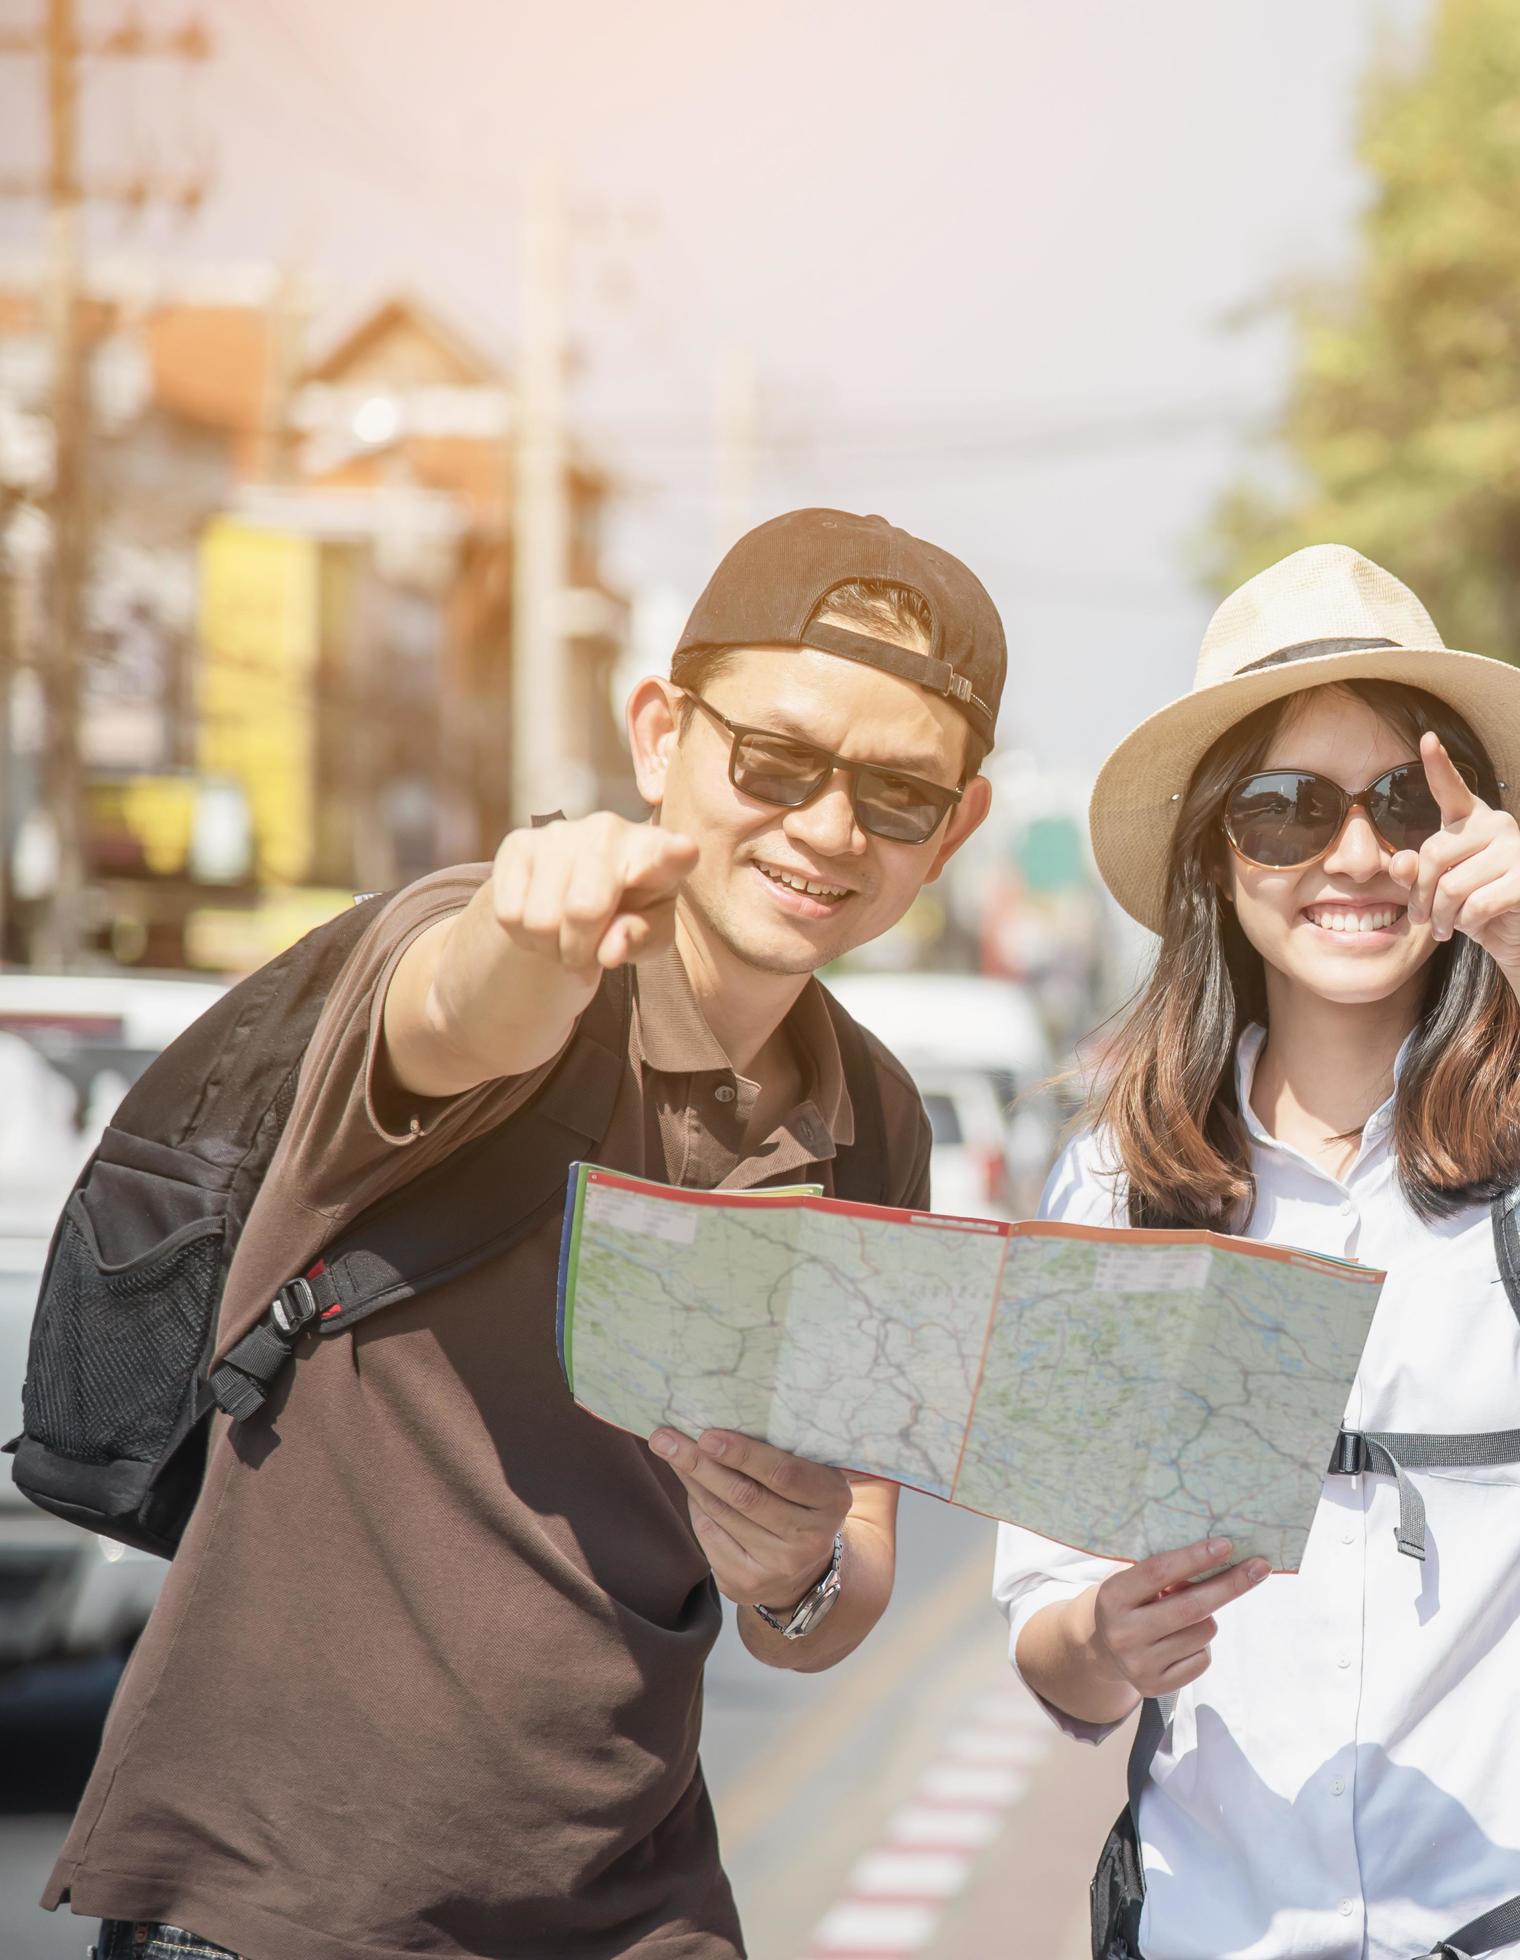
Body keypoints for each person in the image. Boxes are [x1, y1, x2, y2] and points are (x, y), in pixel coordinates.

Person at [46, 510, 1007, 1960]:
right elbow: (455, 1008)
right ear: (659, 731)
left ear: (958, 830)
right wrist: (530, 939)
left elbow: (834, 1588)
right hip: (272, 1911)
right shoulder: (486, 943)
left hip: (637, 1915)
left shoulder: (872, 1117)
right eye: (778, 763)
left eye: (897, 795)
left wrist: (793, 1569)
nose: (826, 830)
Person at [996, 545, 1520, 1960]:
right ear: (1213, 853)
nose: (1352, 856)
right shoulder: (1117, 1180)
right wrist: (1107, 1642)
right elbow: (1051, 1626)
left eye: (1400, 801)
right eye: (1285, 810)